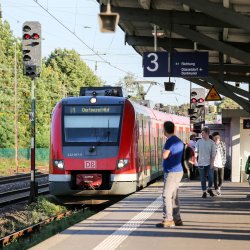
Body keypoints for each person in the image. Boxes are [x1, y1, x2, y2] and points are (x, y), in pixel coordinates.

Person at [156, 121, 184, 228]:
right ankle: (177, 219)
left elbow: (164, 156)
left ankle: (168, 219)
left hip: (172, 171)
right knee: (174, 196)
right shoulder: (178, 141)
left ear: (165, 130)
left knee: (166, 195)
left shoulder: (169, 142)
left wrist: (162, 152)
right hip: (178, 171)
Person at [195, 127, 216, 198]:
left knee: (211, 178)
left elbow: (213, 154)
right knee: (202, 178)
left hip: (209, 163)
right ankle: (204, 192)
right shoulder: (198, 142)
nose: (201, 134)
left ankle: (209, 188)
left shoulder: (212, 143)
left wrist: (212, 163)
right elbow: (196, 152)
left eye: (202, 133)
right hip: (200, 163)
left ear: (207, 133)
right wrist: (195, 160)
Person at [212, 132, 226, 196]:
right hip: (214, 163)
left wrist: (224, 162)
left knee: (221, 178)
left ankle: (219, 186)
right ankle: (217, 189)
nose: (216, 138)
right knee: (215, 177)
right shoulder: (212, 144)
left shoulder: (222, 144)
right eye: (215, 137)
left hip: (221, 163)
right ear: (214, 138)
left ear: (219, 138)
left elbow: (224, 153)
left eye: (217, 137)